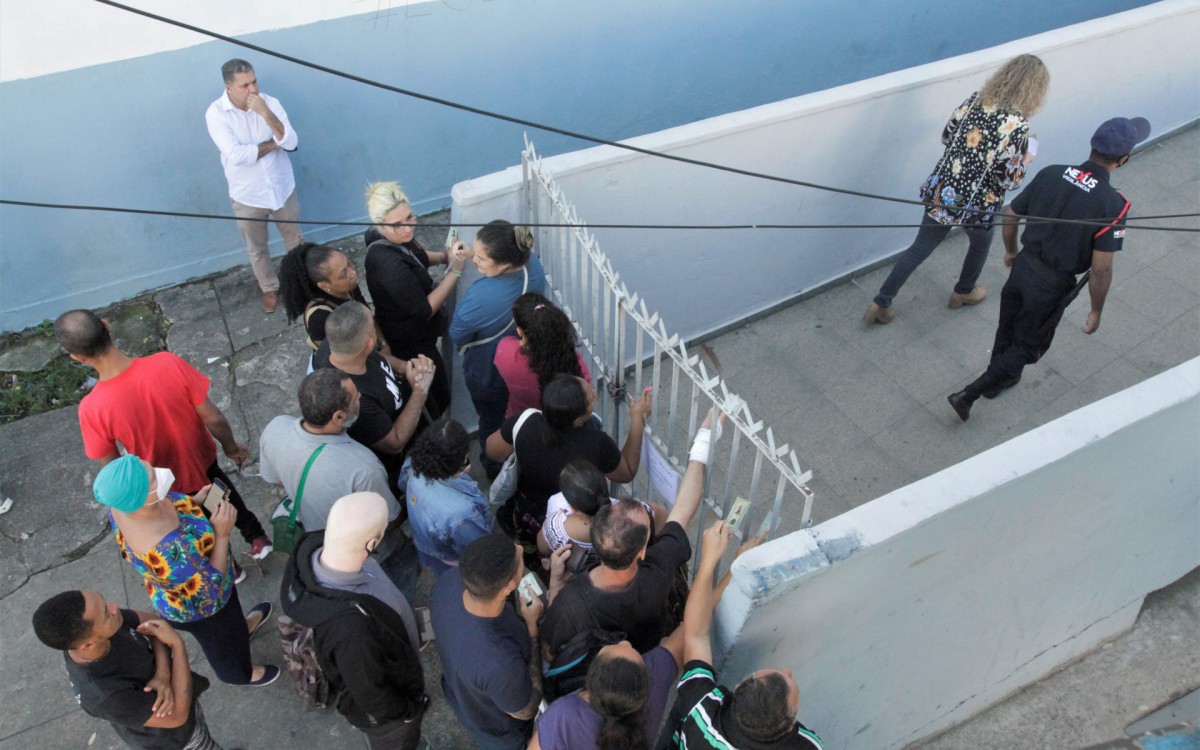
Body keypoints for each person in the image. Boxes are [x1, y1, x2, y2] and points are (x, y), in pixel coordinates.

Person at [948, 116, 1149, 421]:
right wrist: (1096, 309)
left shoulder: (1052, 173)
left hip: (1023, 266)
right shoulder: (1113, 205)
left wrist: (1012, 250)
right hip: (1051, 285)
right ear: (1123, 159)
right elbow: (1101, 270)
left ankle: (998, 380)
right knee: (1029, 346)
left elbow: (1011, 215)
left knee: (1008, 327)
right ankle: (970, 393)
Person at [55, 309, 272, 560]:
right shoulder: (166, 363)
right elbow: (213, 418)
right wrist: (231, 447)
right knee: (223, 499)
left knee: (194, 526)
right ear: (106, 325)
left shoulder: (92, 409)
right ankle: (256, 536)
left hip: (162, 488)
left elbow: (115, 467)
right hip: (203, 464)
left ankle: (228, 566)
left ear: (78, 357)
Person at [863, 54, 1049, 324]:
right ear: (1035, 90)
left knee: (919, 248)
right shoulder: (1018, 126)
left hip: (944, 190)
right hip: (976, 203)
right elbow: (1009, 180)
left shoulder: (975, 100)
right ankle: (963, 291)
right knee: (981, 243)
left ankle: (881, 302)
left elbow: (946, 136)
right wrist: (1027, 160)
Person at [539, 410, 722, 658]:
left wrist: (556, 584)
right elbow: (682, 509)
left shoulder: (570, 603)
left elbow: (549, 653)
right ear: (643, 551)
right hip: (647, 648)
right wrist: (704, 441)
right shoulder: (658, 570)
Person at [92, 455, 278, 687]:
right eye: (152, 478)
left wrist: (196, 501)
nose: (160, 472)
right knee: (221, 645)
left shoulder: (123, 505)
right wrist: (222, 533)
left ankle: (241, 631)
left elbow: (166, 503)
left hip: (197, 589)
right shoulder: (169, 554)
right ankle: (241, 673)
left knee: (232, 623)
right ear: (138, 498)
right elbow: (213, 585)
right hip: (203, 608)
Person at [281, 492, 428, 750]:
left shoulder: (309, 552)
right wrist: (408, 711)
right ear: (372, 543)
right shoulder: (352, 630)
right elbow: (373, 696)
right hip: (388, 722)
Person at [662, 522, 825, 749]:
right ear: (788, 727)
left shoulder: (702, 714)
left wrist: (710, 561)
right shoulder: (808, 747)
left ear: (737, 689)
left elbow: (695, 635)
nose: (788, 671)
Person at [259, 368, 417, 598]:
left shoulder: (276, 428)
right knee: (399, 579)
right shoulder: (362, 467)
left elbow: (277, 481)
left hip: (318, 541)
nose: (361, 397)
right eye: (355, 397)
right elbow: (388, 522)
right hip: (372, 553)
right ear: (338, 417)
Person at [33, 589, 225, 750]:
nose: (115, 608)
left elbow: (153, 625)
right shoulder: (105, 696)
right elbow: (177, 716)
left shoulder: (104, 627)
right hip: (175, 739)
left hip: (182, 696)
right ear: (88, 644)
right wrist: (177, 646)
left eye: (105, 602)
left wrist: (163, 674)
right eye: (106, 613)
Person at [485, 375, 651, 555]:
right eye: (591, 396)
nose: (594, 391)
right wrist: (637, 419)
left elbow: (492, 451)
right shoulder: (596, 443)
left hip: (527, 510)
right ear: (579, 420)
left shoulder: (525, 421)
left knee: (541, 555)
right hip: (569, 521)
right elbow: (626, 472)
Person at [363, 181, 471, 418]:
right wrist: (456, 271)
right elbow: (424, 310)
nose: (407, 229)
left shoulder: (390, 236)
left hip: (413, 331)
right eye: (398, 225)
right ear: (380, 225)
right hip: (411, 340)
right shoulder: (389, 266)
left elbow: (419, 255)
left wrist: (444, 256)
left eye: (410, 217)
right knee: (436, 393)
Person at [449, 221, 547, 475]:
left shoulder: (481, 296)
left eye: (481, 258)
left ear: (503, 264)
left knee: (491, 421)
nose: (475, 260)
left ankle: (494, 467)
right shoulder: (531, 264)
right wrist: (473, 256)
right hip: (524, 361)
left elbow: (456, 333)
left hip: (489, 371)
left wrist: (458, 269)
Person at [205, 58, 302, 313]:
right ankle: (269, 288)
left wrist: (266, 114)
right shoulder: (216, 114)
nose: (252, 90)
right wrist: (272, 144)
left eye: (254, 81)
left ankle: (302, 284)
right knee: (257, 249)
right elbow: (238, 156)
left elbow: (291, 142)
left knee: (294, 240)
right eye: (244, 85)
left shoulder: (270, 104)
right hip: (248, 195)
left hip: (282, 187)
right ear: (229, 87)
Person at [430, 534, 544, 750]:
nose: (520, 549)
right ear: (507, 588)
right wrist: (532, 627)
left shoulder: (448, 581)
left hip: (461, 694)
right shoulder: (499, 663)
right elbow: (526, 710)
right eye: (518, 559)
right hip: (496, 729)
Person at [312, 301, 434, 487]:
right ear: (370, 343)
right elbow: (395, 443)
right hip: (401, 464)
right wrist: (420, 391)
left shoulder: (339, 345)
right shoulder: (354, 398)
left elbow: (374, 357)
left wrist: (403, 366)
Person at [529, 627, 684, 750]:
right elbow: (690, 633)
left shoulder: (564, 715)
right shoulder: (653, 682)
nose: (625, 642)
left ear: (590, 680)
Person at [537, 459, 667, 571]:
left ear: (572, 506)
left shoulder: (555, 529)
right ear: (606, 481)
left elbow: (542, 547)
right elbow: (663, 516)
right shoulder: (636, 516)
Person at [400, 417, 492, 575]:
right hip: (456, 561)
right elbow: (478, 549)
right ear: (459, 461)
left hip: (428, 546)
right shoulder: (461, 513)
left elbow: (402, 485)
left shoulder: (413, 463)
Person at [494, 293, 590, 419]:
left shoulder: (505, 351)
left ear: (520, 331)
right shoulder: (572, 360)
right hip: (562, 424)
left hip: (521, 422)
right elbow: (586, 396)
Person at [279, 242, 369, 352]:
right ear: (324, 285)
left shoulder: (349, 285)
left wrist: (383, 344)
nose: (353, 272)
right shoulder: (319, 316)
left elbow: (367, 315)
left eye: (349, 264)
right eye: (343, 273)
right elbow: (334, 356)